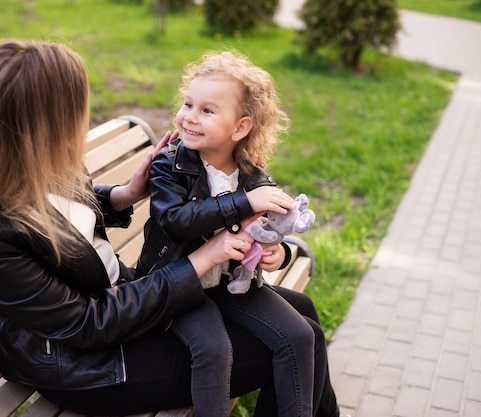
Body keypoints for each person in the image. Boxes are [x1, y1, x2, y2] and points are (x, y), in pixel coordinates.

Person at [0, 39, 324, 417]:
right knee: (294, 345)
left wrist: (124, 195)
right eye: (75, 113)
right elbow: (86, 323)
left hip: (122, 302)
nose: (81, 123)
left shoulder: (40, 165)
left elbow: (56, 218)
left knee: (302, 315)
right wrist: (205, 257)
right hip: (90, 364)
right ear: (38, 129)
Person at [136, 50, 341, 417]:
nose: (190, 118)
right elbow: (175, 219)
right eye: (188, 104)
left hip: (234, 285)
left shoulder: (251, 173)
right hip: (179, 287)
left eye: (207, 110)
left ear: (240, 128)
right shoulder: (170, 163)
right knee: (214, 348)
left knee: (299, 336)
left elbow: (272, 230)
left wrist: (279, 254)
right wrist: (243, 203)